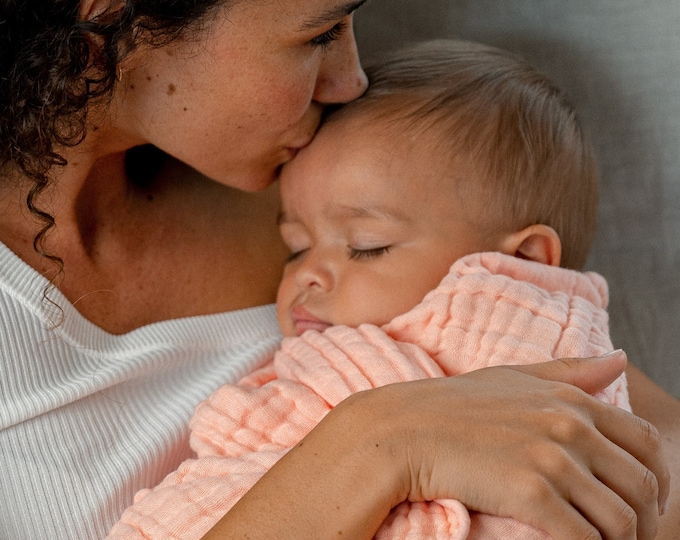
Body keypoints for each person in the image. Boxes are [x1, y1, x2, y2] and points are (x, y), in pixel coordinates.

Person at [0, 1, 675, 539]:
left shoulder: (316, 168)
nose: (351, 78)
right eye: (319, 32)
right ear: (112, 14)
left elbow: (647, 438)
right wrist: (383, 443)